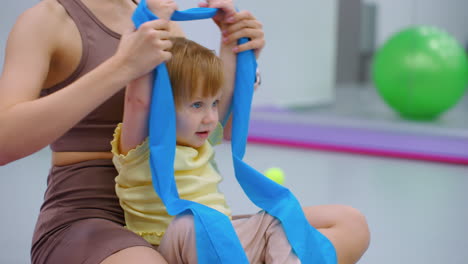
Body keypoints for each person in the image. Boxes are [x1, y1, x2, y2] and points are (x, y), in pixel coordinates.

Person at [0, 0, 369, 263]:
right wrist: (122, 67)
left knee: (349, 225)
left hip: (178, 218)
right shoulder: (47, 20)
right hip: (87, 216)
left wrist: (233, 53)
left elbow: (208, 130)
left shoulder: (162, 21)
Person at [112, 35, 300, 263]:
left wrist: (230, 31)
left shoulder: (202, 140)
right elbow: (137, 101)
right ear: (160, 104)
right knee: (190, 223)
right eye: (197, 105)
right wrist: (150, 21)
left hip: (223, 242)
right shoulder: (141, 147)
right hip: (168, 246)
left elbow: (227, 85)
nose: (211, 118)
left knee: (278, 216)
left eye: (215, 104)